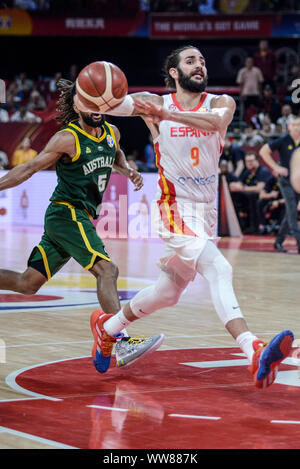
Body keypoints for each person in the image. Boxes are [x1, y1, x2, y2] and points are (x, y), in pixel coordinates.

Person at [75, 45, 294, 388]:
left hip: (205, 213)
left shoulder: (221, 103)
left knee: (169, 292)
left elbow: (217, 123)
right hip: (175, 207)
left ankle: (107, 328)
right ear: (174, 72)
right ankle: (253, 349)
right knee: (219, 268)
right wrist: (86, 92)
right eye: (190, 61)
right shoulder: (155, 103)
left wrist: (168, 116)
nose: (199, 65)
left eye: (203, 60)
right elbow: (109, 103)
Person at [0, 78, 163, 375]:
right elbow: (28, 168)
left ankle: (108, 333)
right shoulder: (67, 138)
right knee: (107, 270)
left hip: (78, 216)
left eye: (98, 101)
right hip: (66, 213)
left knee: (27, 284)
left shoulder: (112, 131)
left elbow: (115, 154)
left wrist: (127, 170)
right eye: (88, 101)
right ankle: (120, 341)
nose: (95, 107)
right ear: (77, 106)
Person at [259, 115, 300, 253]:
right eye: (294, 125)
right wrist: (275, 167)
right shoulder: (284, 140)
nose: (297, 127)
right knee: (293, 210)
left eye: (299, 125)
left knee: (290, 212)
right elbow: (263, 151)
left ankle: (278, 242)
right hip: (286, 181)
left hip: (298, 182)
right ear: (289, 127)